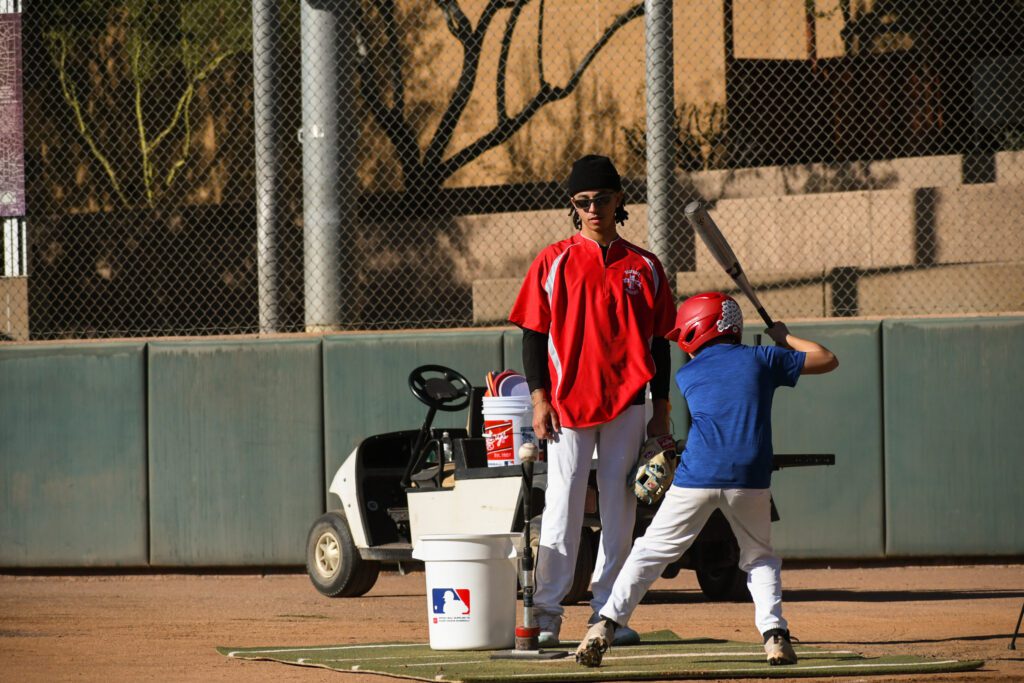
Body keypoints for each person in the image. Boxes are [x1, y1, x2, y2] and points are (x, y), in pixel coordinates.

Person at [574, 291, 839, 667]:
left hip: (697, 475)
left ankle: (604, 625)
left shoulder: (688, 373)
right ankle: (775, 635)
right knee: (759, 556)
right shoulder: (762, 358)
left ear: (699, 329)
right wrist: (784, 337)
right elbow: (828, 359)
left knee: (649, 552)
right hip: (750, 476)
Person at [508, 155, 676, 647]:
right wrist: (539, 399)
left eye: (601, 199)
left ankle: (608, 613)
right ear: (573, 207)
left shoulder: (643, 264)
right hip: (568, 407)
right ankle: (545, 613)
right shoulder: (553, 259)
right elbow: (533, 336)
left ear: (619, 200)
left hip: (629, 405)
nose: (592, 209)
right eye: (581, 202)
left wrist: (659, 412)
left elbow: (660, 343)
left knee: (622, 511)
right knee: (561, 511)